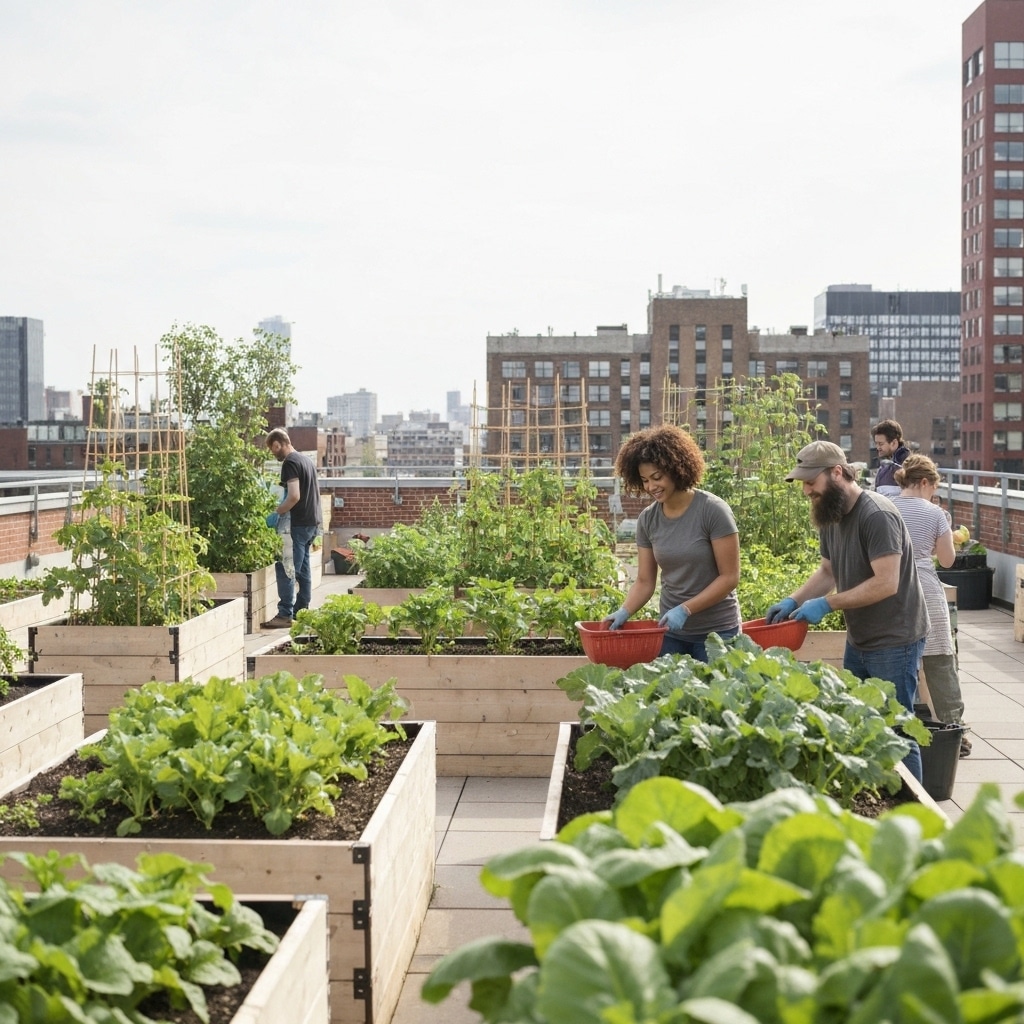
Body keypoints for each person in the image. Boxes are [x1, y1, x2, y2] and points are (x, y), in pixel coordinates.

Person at [765, 439, 929, 781]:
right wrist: (793, 601)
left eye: (811, 482)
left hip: (895, 640)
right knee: (862, 725)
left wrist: (828, 603)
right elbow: (828, 572)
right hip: (860, 638)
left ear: (837, 473)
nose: (807, 490)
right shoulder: (831, 514)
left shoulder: (877, 514)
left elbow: (887, 583)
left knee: (897, 732)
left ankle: (916, 816)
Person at [603, 423, 740, 662]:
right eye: (645, 480)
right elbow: (645, 581)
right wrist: (624, 611)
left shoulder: (712, 511)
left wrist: (686, 609)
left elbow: (729, 578)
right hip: (672, 632)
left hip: (718, 633)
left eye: (657, 477)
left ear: (677, 469)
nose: (651, 487)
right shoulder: (648, 519)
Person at [892, 454, 970, 757]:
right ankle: (954, 731)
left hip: (891, 589)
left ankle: (899, 728)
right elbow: (947, 561)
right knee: (940, 662)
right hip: (924, 588)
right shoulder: (936, 513)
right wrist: (951, 539)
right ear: (925, 482)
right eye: (934, 488)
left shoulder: (886, 506)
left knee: (898, 660)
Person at [261, 428, 323, 629]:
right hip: (312, 522)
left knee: (286, 567)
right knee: (303, 568)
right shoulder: (306, 461)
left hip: (296, 524)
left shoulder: (290, 463)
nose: (274, 453)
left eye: (275, 448)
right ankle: (301, 611)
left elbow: (294, 495)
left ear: (281, 443)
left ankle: (285, 613)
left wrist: (277, 512)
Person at [873, 418, 910, 498]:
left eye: (881, 444)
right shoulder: (884, 467)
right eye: (876, 443)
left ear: (894, 443)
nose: (877, 447)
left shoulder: (908, 467)